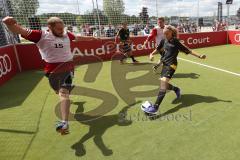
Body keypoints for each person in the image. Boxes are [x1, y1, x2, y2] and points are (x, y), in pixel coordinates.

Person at [2, 16, 96, 135]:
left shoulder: (66, 34)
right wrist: (9, 23)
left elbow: (77, 37)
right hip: (52, 72)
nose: (61, 31)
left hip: (68, 69)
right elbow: (20, 30)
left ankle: (64, 123)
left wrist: (92, 37)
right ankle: (68, 98)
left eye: (62, 28)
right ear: (49, 28)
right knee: (62, 93)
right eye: (58, 29)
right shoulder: (41, 35)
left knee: (63, 94)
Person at [142, 25, 206, 114]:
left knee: (163, 83)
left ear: (171, 32)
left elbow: (188, 50)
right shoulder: (164, 40)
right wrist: (151, 54)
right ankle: (176, 89)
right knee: (164, 83)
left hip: (172, 65)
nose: (166, 35)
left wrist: (199, 55)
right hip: (164, 65)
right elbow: (158, 49)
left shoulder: (176, 41)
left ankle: (155, 107)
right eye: (164, 34)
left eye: (167, 34)